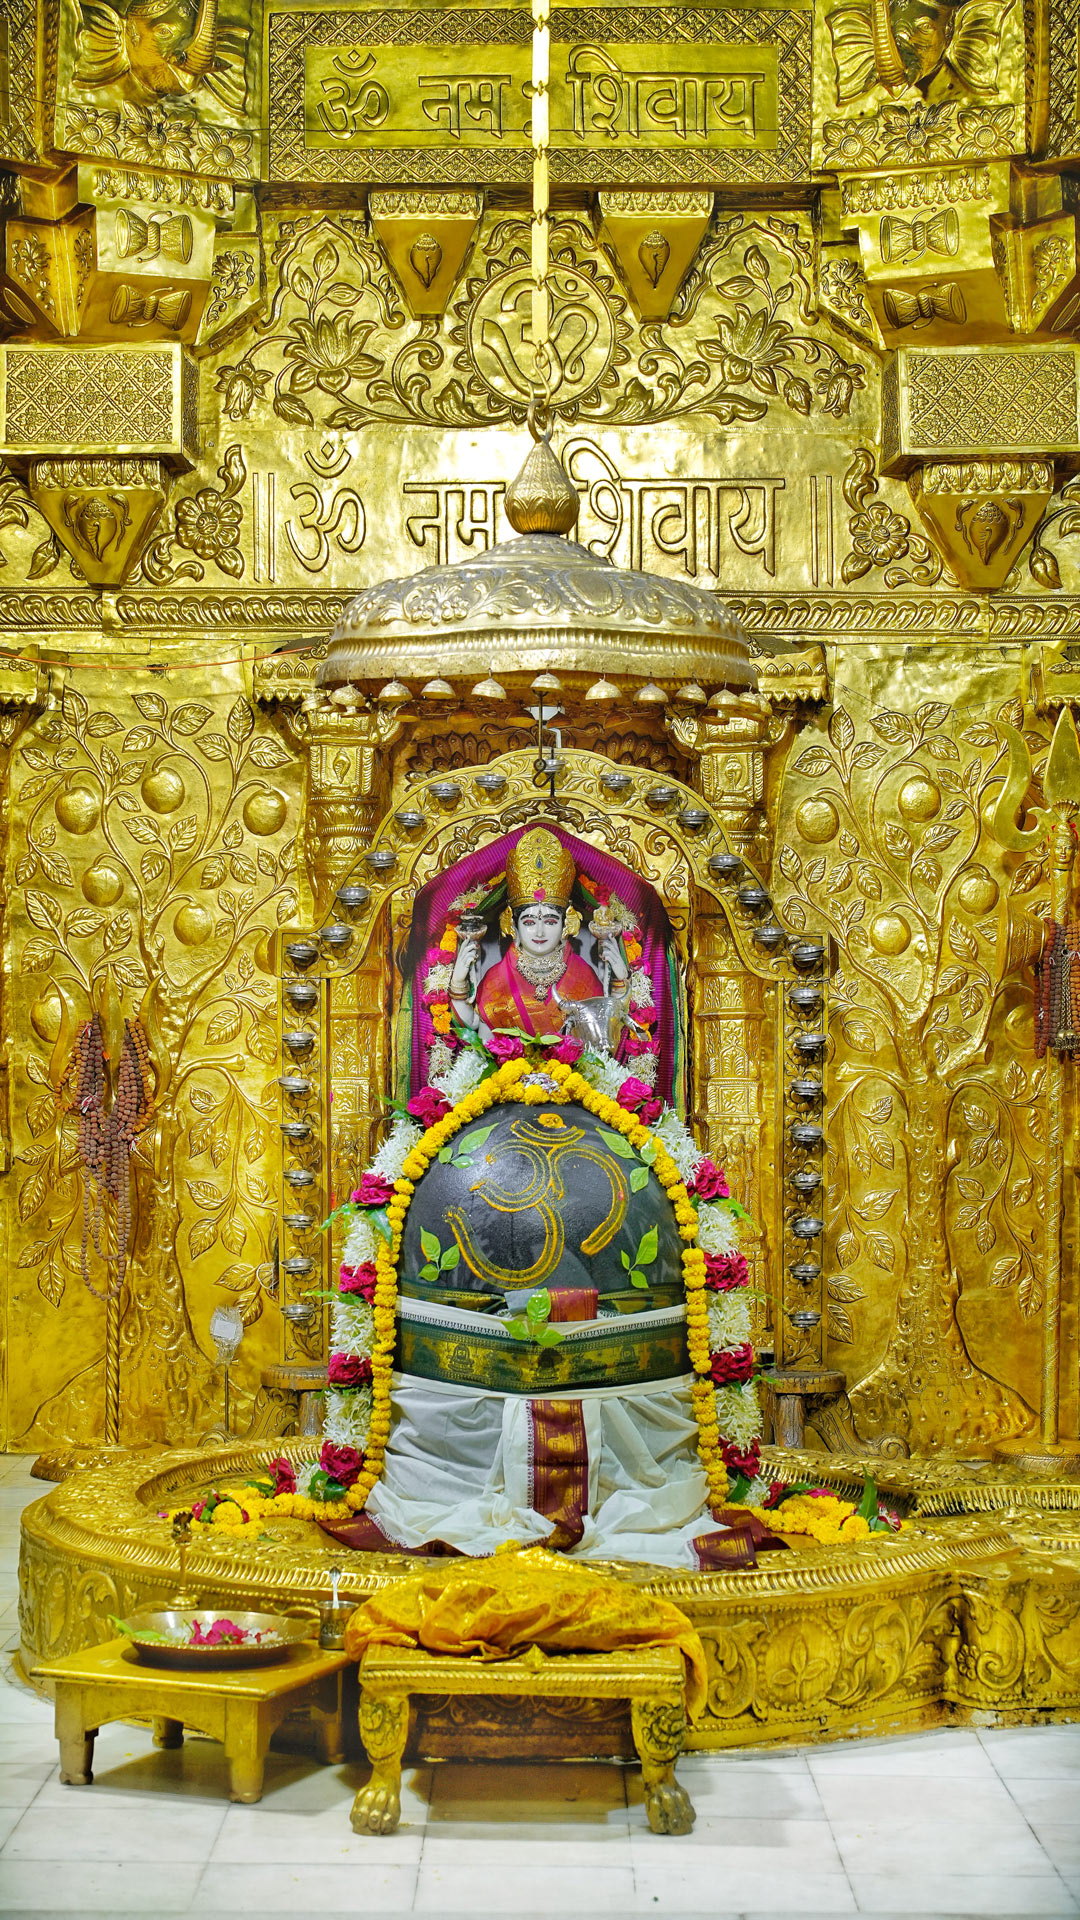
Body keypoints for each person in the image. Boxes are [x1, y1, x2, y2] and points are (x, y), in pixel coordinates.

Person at [449, 827, 627, 1040]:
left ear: (566, 924)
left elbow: (606, 1028)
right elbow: (472, 1025)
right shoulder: (496, 979)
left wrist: (620, 980)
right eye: (529, 922)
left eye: (550, 921)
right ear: (513, 925)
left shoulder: (583, 977)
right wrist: (458, 981)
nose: (540, 931)